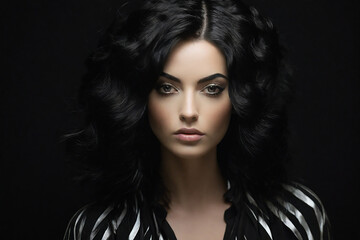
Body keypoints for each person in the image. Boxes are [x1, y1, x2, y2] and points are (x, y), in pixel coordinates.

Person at [63, 0, 331, 239]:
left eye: (212, 89)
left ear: (241, 99)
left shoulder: (295, 220)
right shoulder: (100, 230)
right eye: (167, 88)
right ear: (140, 96)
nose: (189, 111)